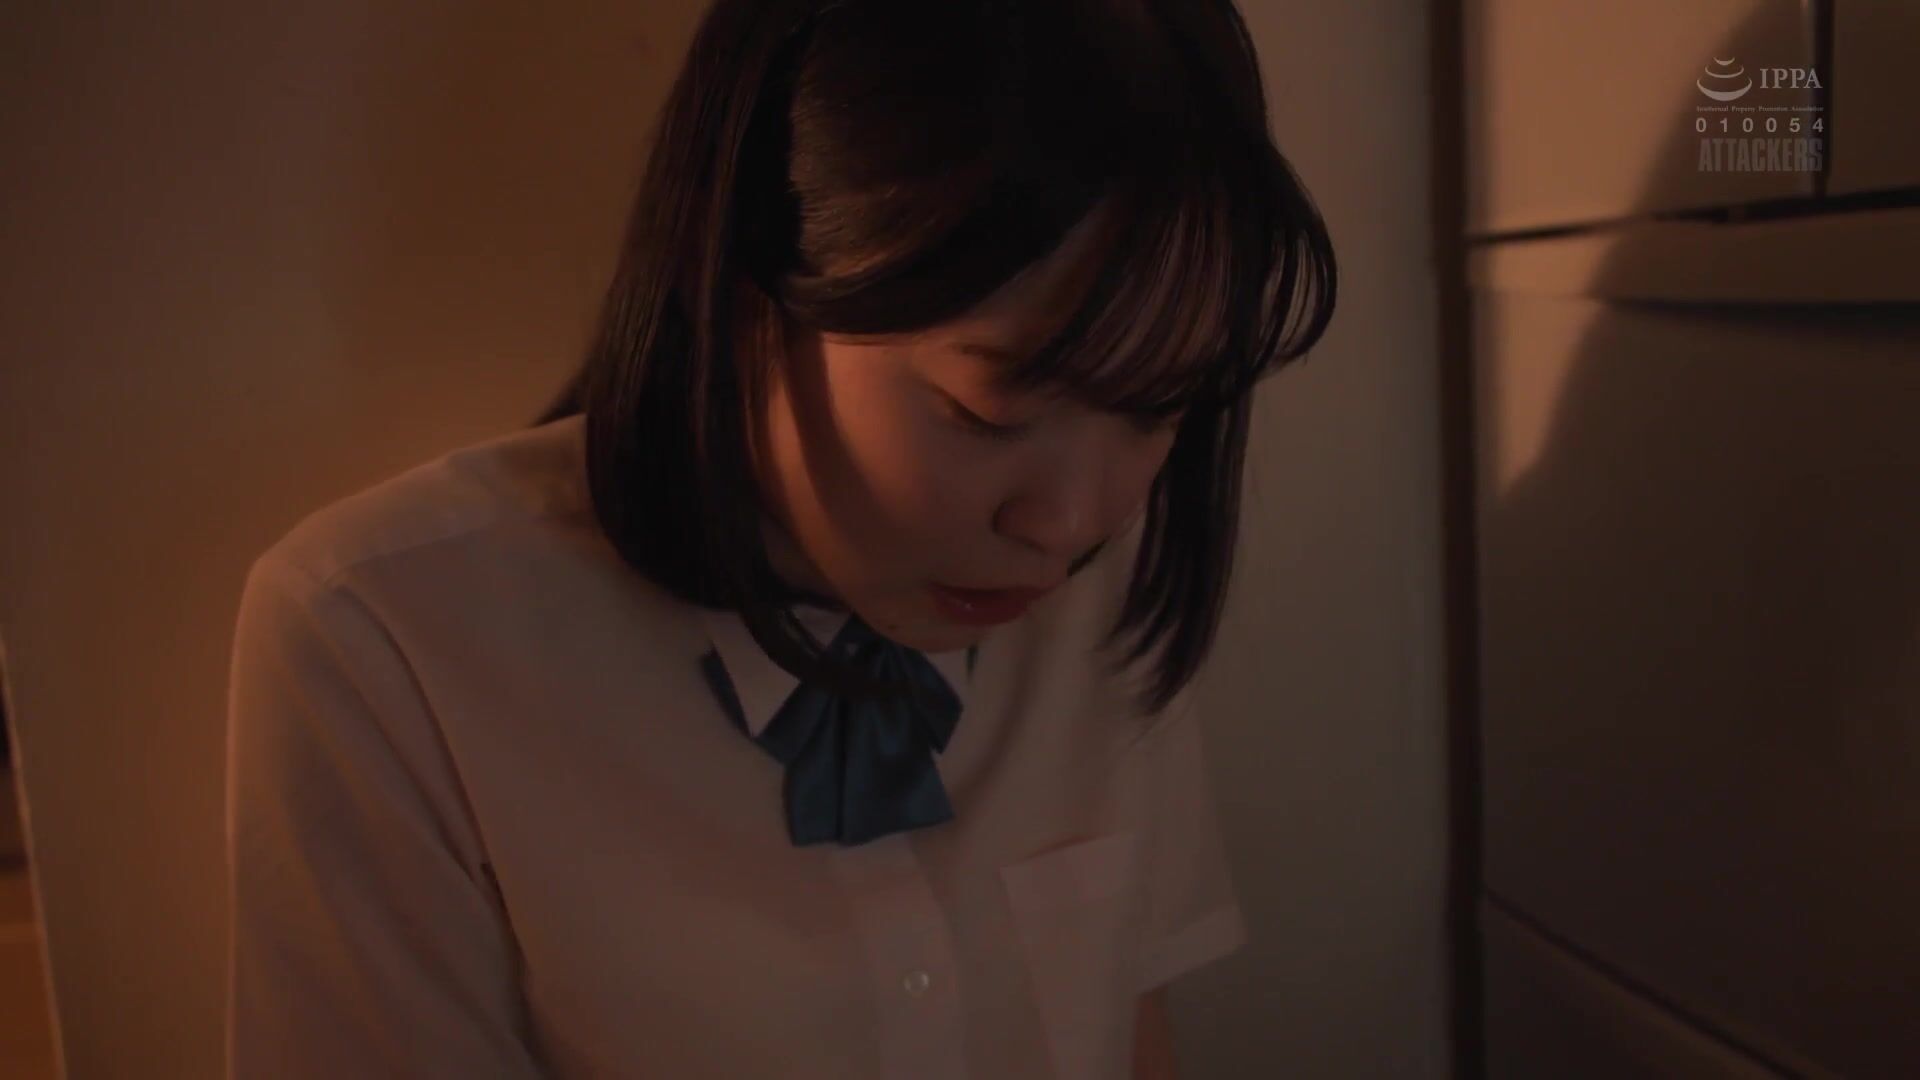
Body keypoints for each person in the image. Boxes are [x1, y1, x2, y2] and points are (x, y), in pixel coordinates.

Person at [223, 0, 1336, 1076]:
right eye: (989, 414)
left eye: (1158, 406)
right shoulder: (389, 645)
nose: (1072, 522)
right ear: (749, 282)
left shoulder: (1106, 598)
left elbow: (1130, 1035)